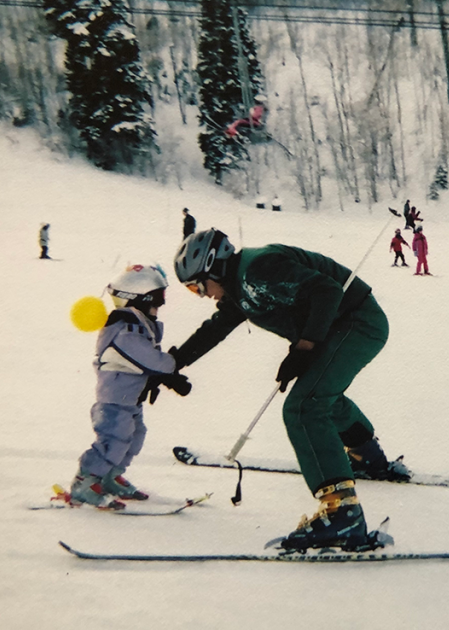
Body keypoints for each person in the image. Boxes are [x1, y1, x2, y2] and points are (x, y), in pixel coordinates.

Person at [171, 229, 405, 551]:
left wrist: (304, 347)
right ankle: (368, 456)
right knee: (322, 396)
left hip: (358, 323)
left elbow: (327, 290)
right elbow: (216, 328)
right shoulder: (239, 287)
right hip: (339, 327)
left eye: (197, 286)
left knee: (304, 407)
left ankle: (342, 515)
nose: (200, 294)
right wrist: (173, 363)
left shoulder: (259, 269)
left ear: (213, 266)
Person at [68, 264, 191, 509]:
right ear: (140, 298)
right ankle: (85, 482)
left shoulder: (137, 323)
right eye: (157, 298)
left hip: (129, 399)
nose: (161, 305)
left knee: (134, 436)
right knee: (114, 439)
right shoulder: (124, 328)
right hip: (114, 400)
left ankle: (109, 476)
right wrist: (171, 367)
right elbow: (145, 357)